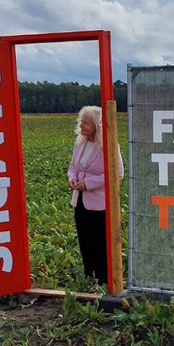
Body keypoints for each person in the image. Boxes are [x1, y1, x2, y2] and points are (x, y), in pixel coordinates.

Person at [67, 105, 123, 286]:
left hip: (99, 203)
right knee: (85, 239)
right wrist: (72, 178)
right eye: (81, 122)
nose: (81, 126)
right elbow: (73, 166)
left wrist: (88, 184)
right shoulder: (80, 143)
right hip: (80, 200)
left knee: (100, 242)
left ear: (97, 125)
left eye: (86, 123)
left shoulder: (109, 145)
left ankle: (104, 278)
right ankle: (89, 275)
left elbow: (117, 174)